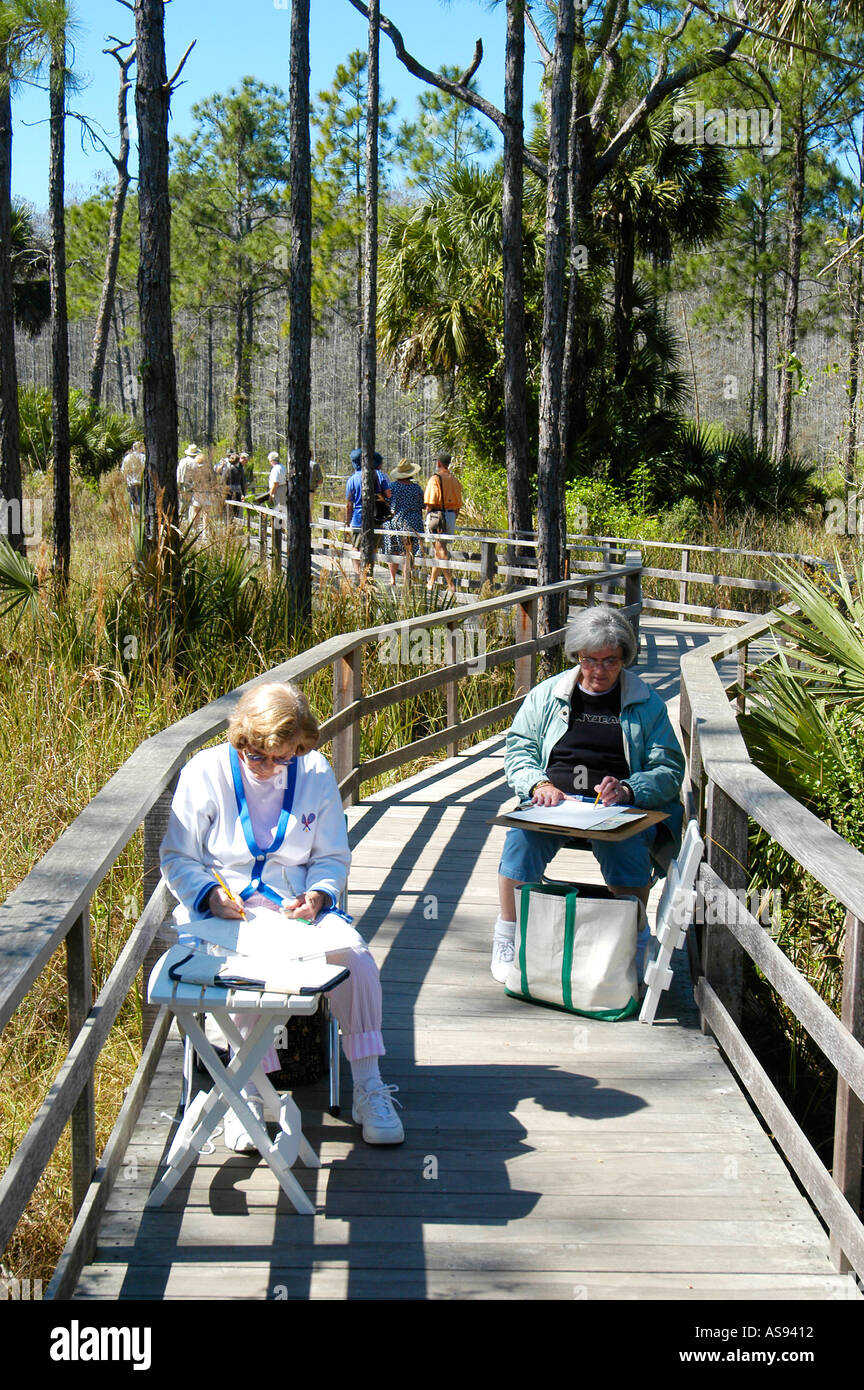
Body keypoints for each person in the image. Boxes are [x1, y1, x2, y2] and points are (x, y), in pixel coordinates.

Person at [159, 681, 405, 1150]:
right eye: (259, 757)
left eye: (283, 757)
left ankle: (369, 1087)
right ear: (240, 740)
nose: (271, 768)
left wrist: (319, 894)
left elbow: (332, 854)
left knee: (356, 959)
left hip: (295, 908)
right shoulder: (204, 772)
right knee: (248, 973)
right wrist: (208, 894)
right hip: (225, 909)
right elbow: (178, 856)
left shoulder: (314, 772)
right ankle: (248, 1090)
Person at [490, 605, 685, 983]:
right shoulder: (548, 695)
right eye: (589, 660)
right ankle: (507, 933)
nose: (598, 670)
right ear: (577, 657)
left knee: (626, 846)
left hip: (616, 808)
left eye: (609, 661)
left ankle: (633, 939)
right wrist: (538, 785)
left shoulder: (647, 704)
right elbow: (519, 748)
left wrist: (630, 789)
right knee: (522, 838)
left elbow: (669, 769)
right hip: (555, 804)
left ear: (624, 659)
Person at [344, 446, 391, 576]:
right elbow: (388, 494)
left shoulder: (352, 480)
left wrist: (347, 520)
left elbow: (349, 504)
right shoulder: (377, 474)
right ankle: (369, 573)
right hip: (375, 517)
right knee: (374, 548)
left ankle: (358, 573)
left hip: (358, 518)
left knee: (356, 547)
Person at [424, 452, 462, 594]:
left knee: (441, 550)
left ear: (439, 463)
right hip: (451, 516)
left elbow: (430, 502)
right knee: (438, 551)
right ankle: (431, 582)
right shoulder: (455, 480)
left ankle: (451, 585)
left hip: (437, 516)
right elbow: (458, 504)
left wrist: (427, 516)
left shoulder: (435, 479)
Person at [383, 458, 424, 587]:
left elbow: (386, 502)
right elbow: (422, 504)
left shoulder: (392, 487)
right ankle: (407, 578)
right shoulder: (416, 488)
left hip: (396, 521)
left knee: (393, 550)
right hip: (414, 523)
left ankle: (392, 578)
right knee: (409, 551)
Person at [121, 440, 145, 515]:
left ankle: (134, 518)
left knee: (133, 502)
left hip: (131, 483)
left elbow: (123, 471)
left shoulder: (127, 458)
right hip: (141, 483)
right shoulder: (143, 457)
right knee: (141, 502)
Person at [177, 444, 199, 521]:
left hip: (182, 484)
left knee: (182, 503)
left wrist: (178, 485)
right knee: (191, 504)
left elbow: (178, 474)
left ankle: (181, 519)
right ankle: (189, 521)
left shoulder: (182, 461)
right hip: (191, 485)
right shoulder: (195, 462)